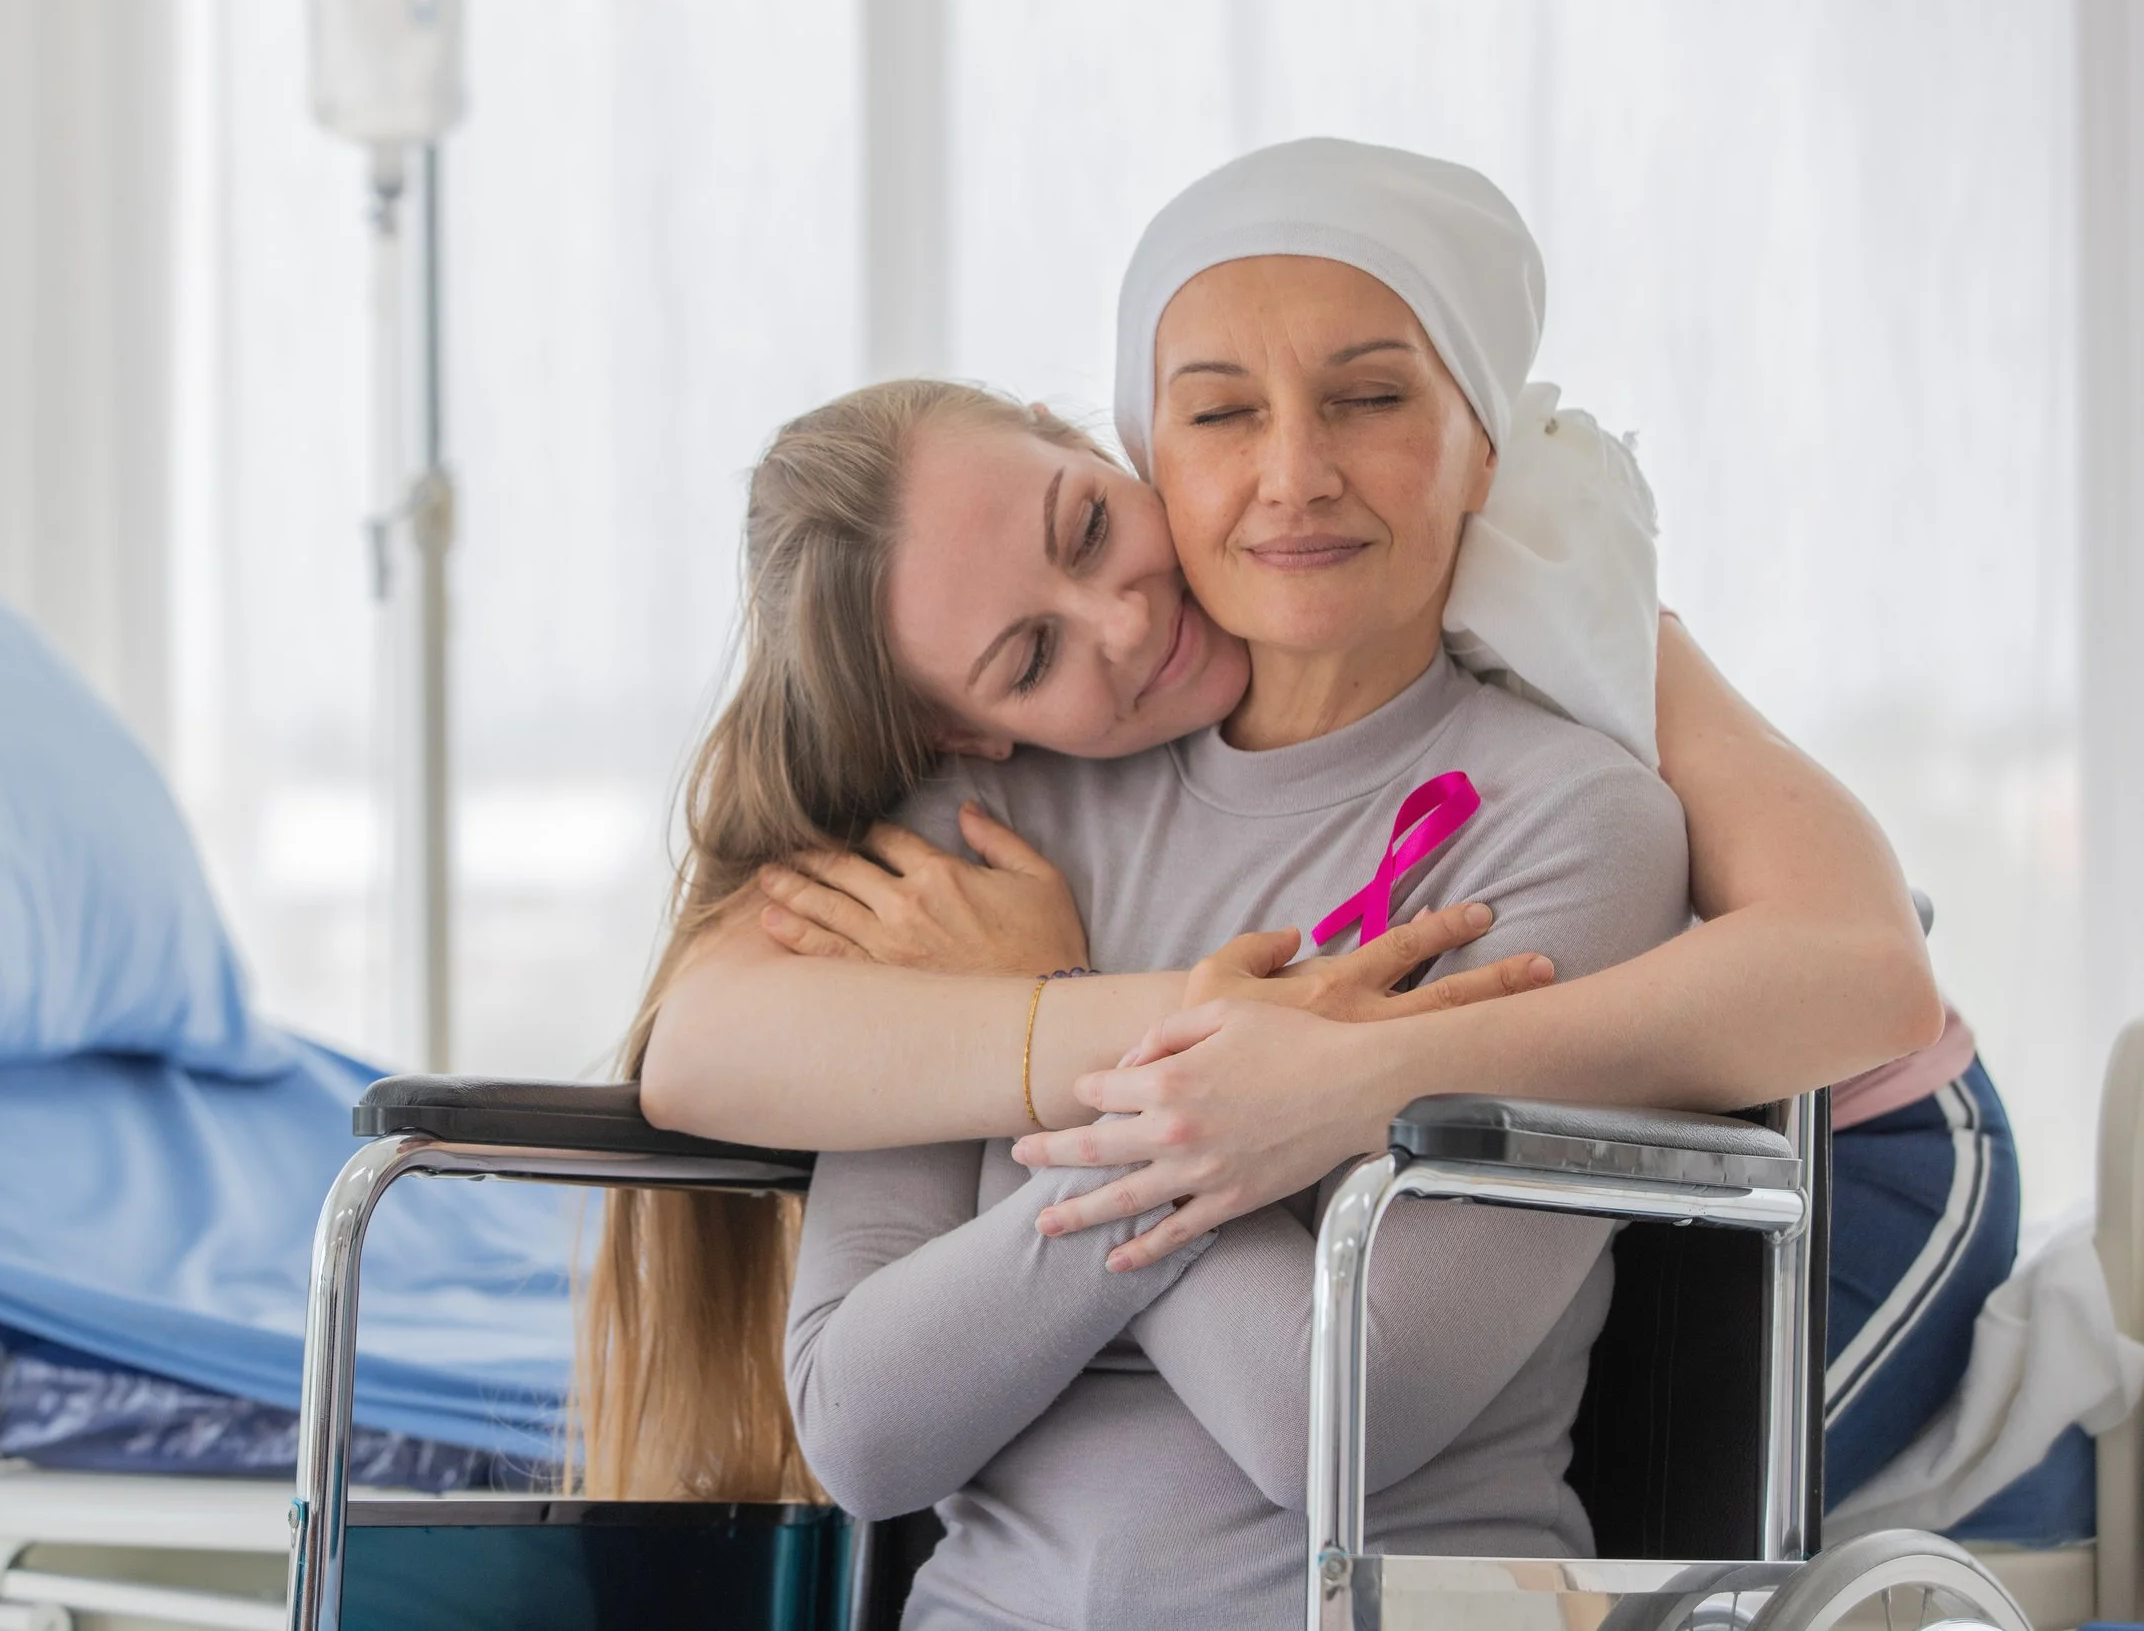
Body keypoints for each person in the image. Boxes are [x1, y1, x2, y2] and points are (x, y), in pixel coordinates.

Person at [581, 142, 2005, 1529]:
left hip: (1860, 1127)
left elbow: (1862, 973)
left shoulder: (1572, 633)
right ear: (969, 727)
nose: (1293, 476)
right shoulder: (995, 840)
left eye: (1087, 530)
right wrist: (1119, 1030)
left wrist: (1346, 1065)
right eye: (1027, 660)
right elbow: (705, 1059)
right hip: (1602, 1115)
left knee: (1716, 1506)